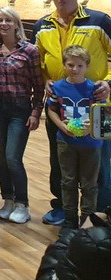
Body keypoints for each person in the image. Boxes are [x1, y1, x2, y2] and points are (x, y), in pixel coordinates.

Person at [34, 0, 111, 226]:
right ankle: (62, 209)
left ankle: (100, 213)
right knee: (59, 161)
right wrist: (45, 79)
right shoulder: (42, 25)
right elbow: (39, 61)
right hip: (60, 106)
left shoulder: (99, 21)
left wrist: (108, 82)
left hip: (99, 106)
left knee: (101, 163)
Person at [0, 5, 45, 224]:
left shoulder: (30, 51)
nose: (3, 24)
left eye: (8, 20)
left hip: (19, 109)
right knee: (0, 158)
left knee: (13, 157)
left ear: (16, 24)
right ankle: (8, 200)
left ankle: (22, 203)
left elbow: (38, 86)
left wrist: (35, 112)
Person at [47, 45, 106, 229]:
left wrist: (91, 127)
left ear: (87, 66)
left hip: (91, 144)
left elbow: (103, 112)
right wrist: (62, 126)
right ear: (64, 65)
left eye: (80, 66)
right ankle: (70, 220)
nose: (75, 69)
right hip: (66, 142)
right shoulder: (57, 87)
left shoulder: (94, 89)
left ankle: (86, 224)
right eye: (71, 65)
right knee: (68, 181)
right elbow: (51, 109)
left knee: (89, 185)